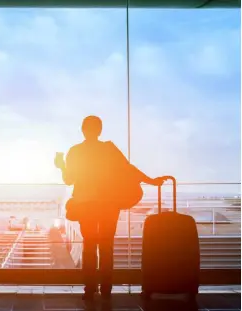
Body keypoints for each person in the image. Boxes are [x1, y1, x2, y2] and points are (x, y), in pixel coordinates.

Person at [54, 115, 165, 301]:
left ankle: (89, 290)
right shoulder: (109, 149)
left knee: (89, 246)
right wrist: (151, 181)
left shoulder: (75, 151)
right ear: (100, 130)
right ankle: (106, 289)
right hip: (108, 204)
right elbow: (129, 169)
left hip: (86, 204)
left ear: (83, 129)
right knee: (107, 246)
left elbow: (68, 180)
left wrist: (61, 165)